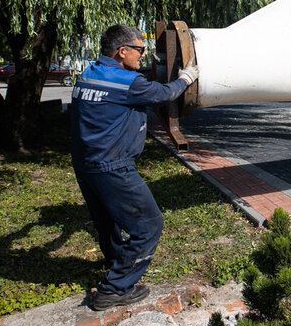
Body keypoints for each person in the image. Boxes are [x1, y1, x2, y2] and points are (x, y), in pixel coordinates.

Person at [70, 24, 199, 310]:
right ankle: (114, 289)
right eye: (140, 50)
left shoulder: (88, 75)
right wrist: (186, 79)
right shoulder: (128, 84)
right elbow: (164, 94)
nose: (144, 55)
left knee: (108, 224)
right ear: (122, 51)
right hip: (112, 167)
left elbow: (133, 83)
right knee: (148, 224)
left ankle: (117, 266)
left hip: (85, 165)